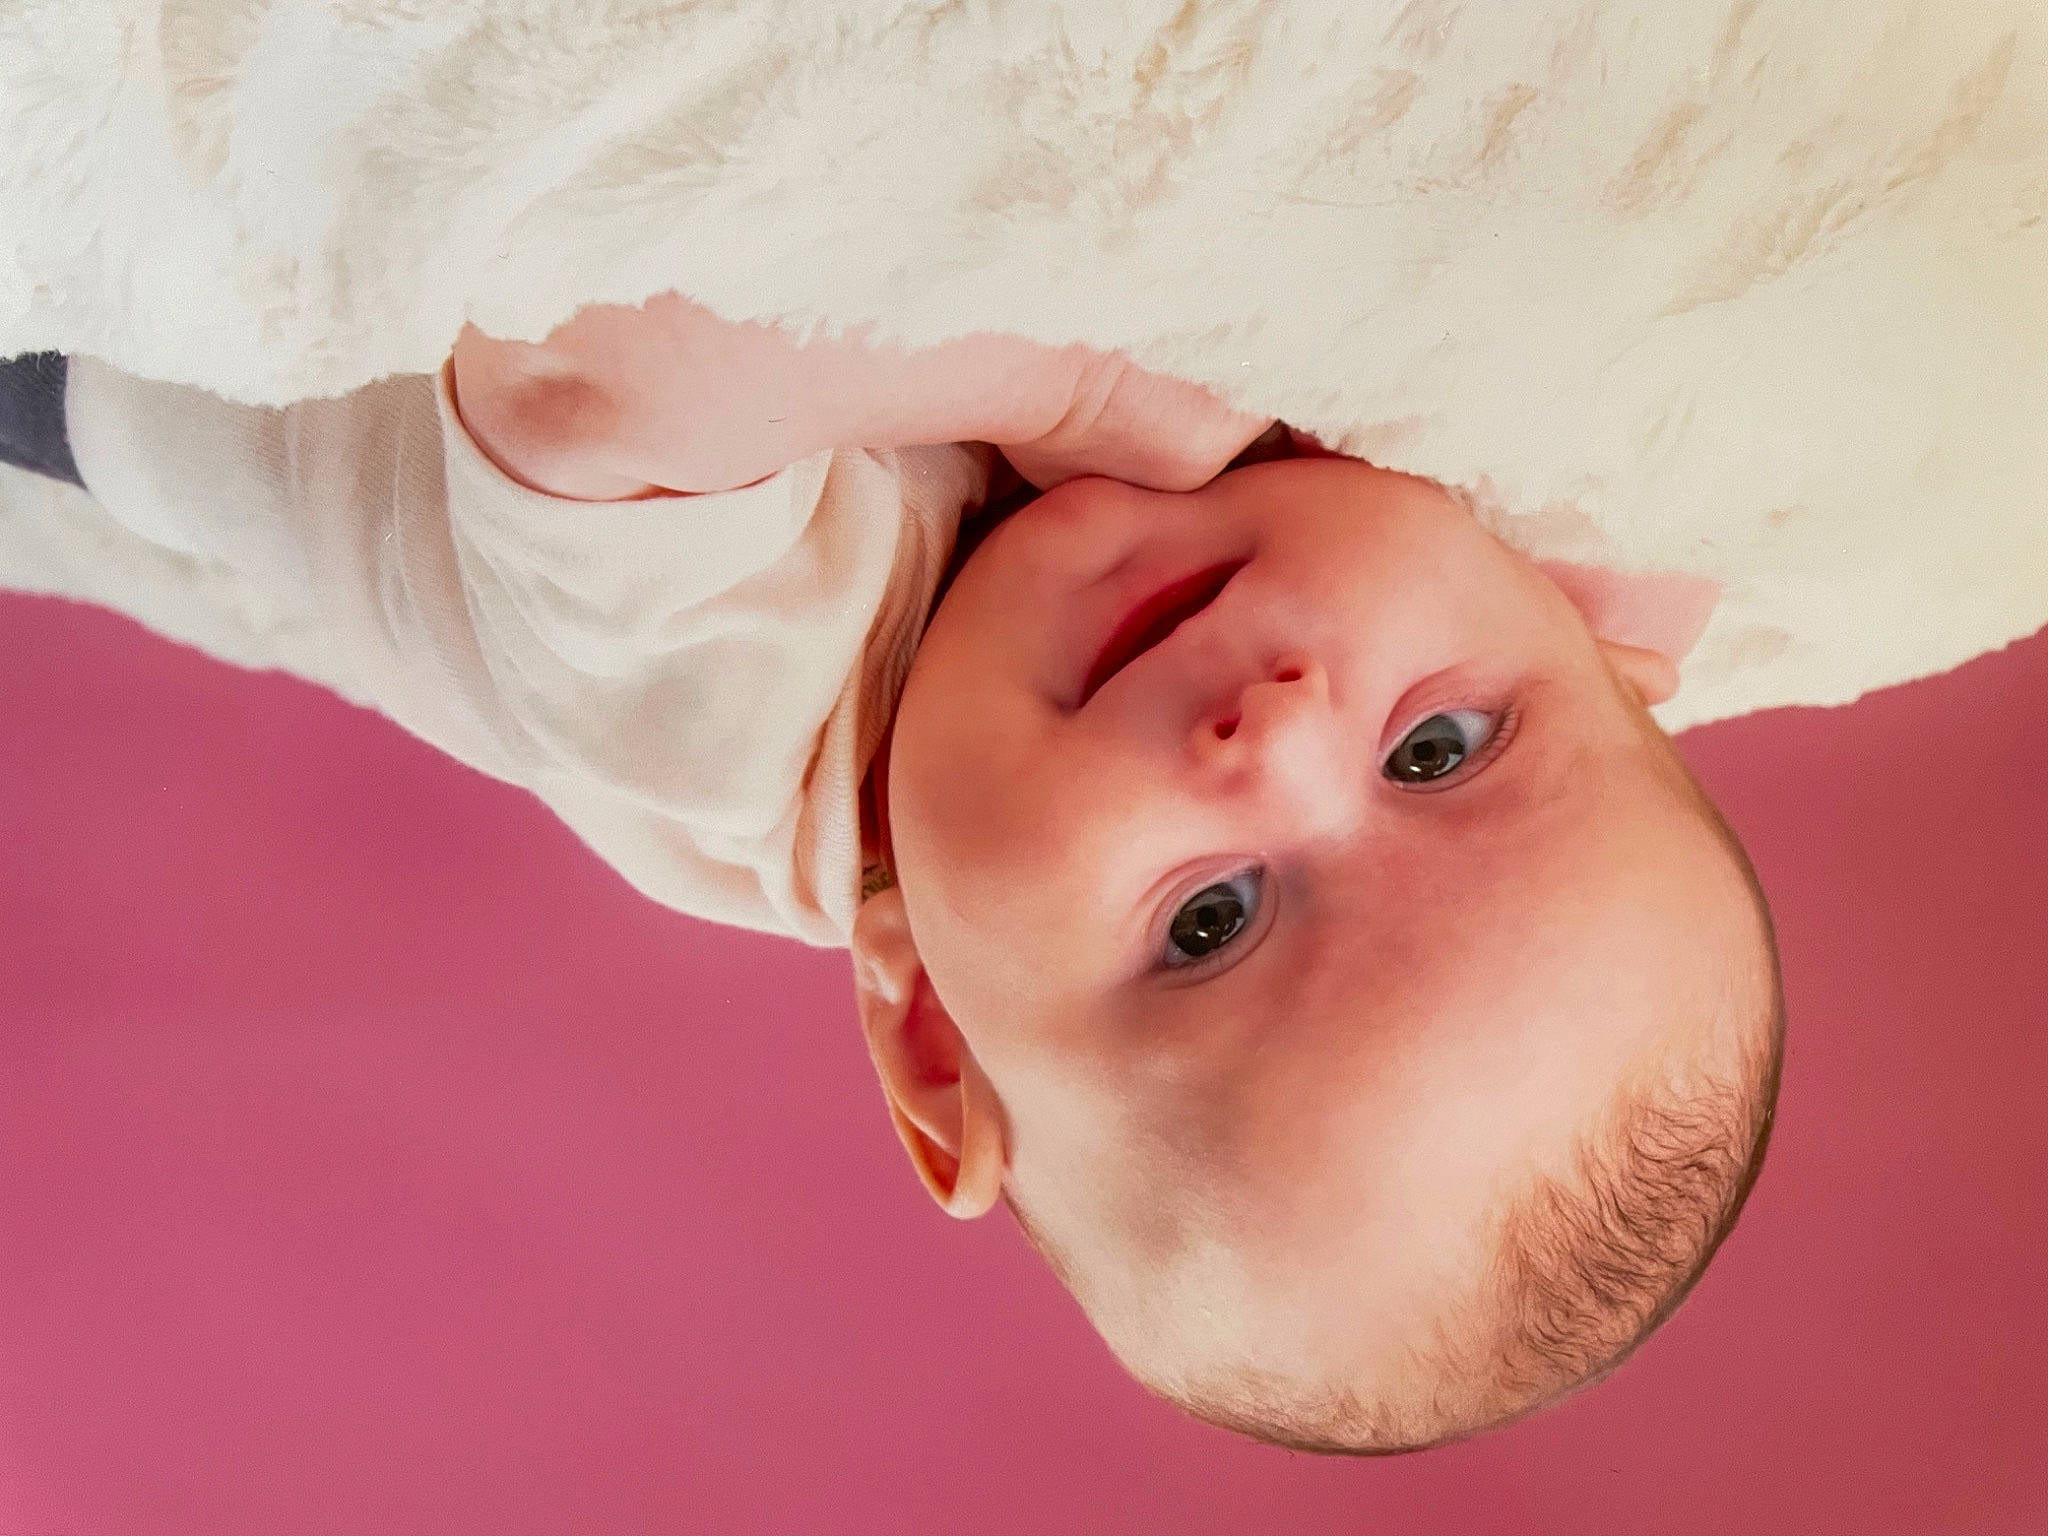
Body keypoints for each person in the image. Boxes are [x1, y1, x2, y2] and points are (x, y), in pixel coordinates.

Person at [0, 293, 1782, 1453]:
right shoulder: (1171, 653)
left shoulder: (746, 701)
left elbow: (587, 362)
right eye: (1442, 752)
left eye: (1211, 922)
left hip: (124, 320)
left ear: (935, 1023)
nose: (1283, 735)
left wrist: (1083, 385)